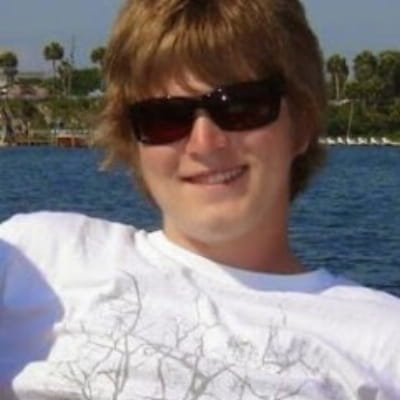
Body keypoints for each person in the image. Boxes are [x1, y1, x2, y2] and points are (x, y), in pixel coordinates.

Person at [1, 0, 399, 399]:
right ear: (133, 141)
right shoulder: (36, 255)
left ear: (302, 126)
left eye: (240, 107)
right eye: (164, 118)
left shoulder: (382, 342)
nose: (204, 143)